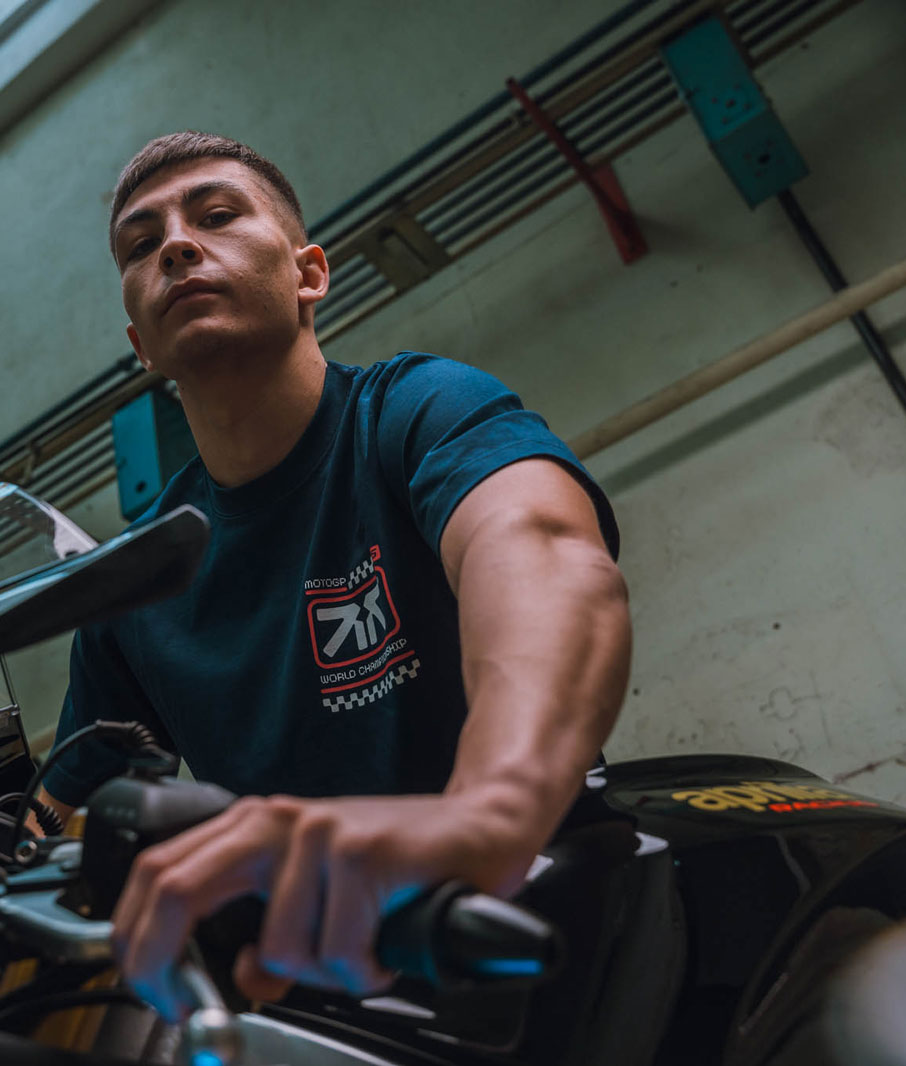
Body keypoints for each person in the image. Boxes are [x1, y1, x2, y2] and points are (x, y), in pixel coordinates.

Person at [35, 132, 632, 1020]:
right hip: (311, 985)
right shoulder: (138, 580)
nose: (176, 245)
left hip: (531, 919)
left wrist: (489, 816)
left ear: (310, 274)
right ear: (140, 347)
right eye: (140, 242)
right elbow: (59, 818)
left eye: (217, 214)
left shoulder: (415, 409)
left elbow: (544, 549)